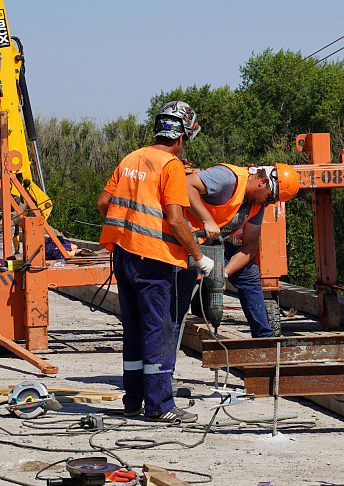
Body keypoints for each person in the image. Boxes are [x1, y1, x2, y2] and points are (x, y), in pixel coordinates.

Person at [98, 101, 216, 423]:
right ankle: (160, 405)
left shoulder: (131, 158)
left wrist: (126, 231)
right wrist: (198, 256)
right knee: (157, 330)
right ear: (181, 137)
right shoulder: (171, 166)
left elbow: (103, 202)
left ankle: (133, 401)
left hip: (124, 256)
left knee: (134, 329)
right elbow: (176, 220)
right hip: (153, 261)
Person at [172, 163, 301, 341]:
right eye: (270, 198)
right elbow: (186, 185)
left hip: (211, 245)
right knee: (179, 299)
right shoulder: (228, 178)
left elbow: (249, 248)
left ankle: (264, 339)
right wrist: (207, 220)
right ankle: (168, 340)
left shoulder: (257, 206)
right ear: (263, 182)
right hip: (183, 244)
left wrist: (222, 274)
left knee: (249, 272)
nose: (267, 204)